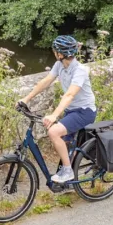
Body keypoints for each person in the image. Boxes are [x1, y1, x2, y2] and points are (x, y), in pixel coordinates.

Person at [18, 35, 97, 185]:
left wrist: (54, 115)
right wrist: (26, 99)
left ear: (60, 53)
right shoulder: (59, 65)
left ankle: (67, 171)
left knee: (54, 132)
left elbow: (70, 94)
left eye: (55, 51)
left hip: (84, 112)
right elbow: (45, 82)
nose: (54, 53)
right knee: (65, 146)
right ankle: (69, 178)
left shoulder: (80, 70)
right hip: (72, 111)